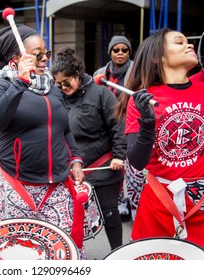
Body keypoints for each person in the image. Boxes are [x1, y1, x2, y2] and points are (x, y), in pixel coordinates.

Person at [0, 25, 86, 256]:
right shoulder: (2, 84)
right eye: (37, 53)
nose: (44, 59)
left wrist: (76, 159)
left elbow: (63, 129)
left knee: (62, 252)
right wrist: (20, 83)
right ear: (17, 58)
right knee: (20, 255)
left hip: (57, 186)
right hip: (16, 185)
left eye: (46, 53)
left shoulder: (52, 87)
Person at [116, 28, 204, 251]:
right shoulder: (142, 99)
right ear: (159, 56)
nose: (189, 45)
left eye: (189, 42)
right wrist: (147, 124)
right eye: (179, 42)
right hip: (159, 203)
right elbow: (137, 163)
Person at [51, 48, 127, 251]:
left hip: (103, 164)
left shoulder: (100, 93)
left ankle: (117, 254)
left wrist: (119, 155)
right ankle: (76, 255)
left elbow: (118, 125)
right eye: (58, 84)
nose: (63, 87)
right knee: (71, 218)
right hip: (72, 167)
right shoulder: (57, 97)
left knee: (110, 213)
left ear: (77, 74)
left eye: (67, 81)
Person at [93, 35, 138, 221]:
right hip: (108, 127)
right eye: (116, 50)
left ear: (129, 51)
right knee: (114, 165)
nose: (120, 53)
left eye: (124, 50)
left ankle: (136, 207)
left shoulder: (138, 71)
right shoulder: (100, 73)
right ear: (110, 52)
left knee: (133, 168)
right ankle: (119, 205)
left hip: (131, 124)